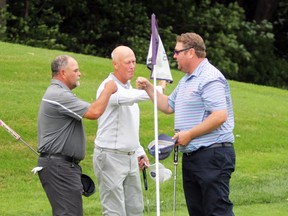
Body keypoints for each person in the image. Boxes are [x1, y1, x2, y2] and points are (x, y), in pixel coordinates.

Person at [136, 33, 236, 216]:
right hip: (193, 156)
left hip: (212, 154)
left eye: (177, 52)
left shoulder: (209, 77)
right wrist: (149, 88)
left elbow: (220, 115)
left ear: (190, 52)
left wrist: (189, 134)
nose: (174, 56)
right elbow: (168, 106)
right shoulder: (187, 80)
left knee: (217, 211)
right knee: (197, 211)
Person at [37, 55, 117, 216]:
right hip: (59, 167)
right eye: (75, 70)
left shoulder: (59, 94)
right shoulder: (58, 95)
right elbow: (94, 112)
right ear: (63, 73)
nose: (79, 73)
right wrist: (108, 90)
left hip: (63, 166)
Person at [93, 45, 166, 216]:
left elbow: (130, 125)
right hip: (110, 156)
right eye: (128, 62)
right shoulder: (109, 86)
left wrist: (139, 151)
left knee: (135, 209)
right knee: (114, 211)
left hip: (130, 156)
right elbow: (135, 96)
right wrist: (158, 87)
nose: (132, 65)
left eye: (134, 61)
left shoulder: (128, 87)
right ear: (115, 64)